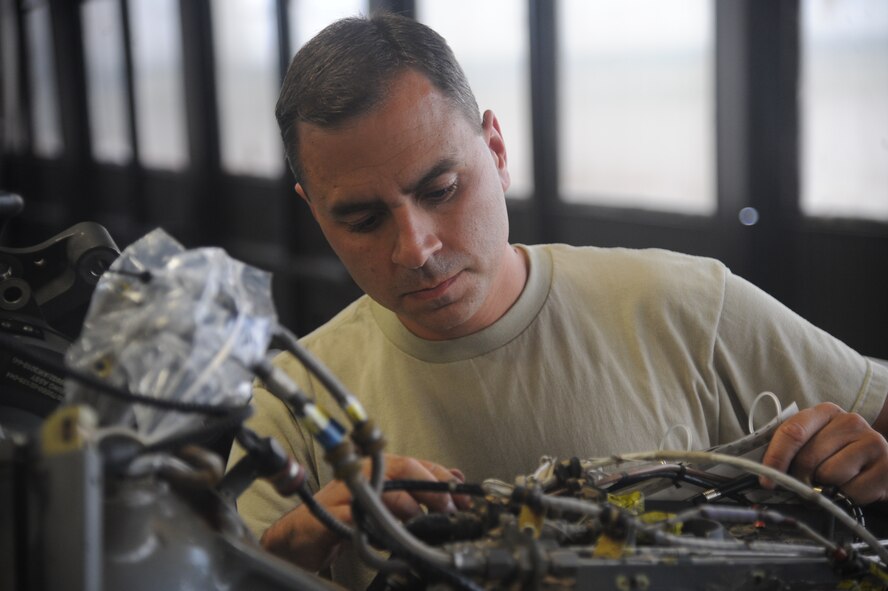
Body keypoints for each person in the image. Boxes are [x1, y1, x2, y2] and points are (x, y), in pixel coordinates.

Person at [228, 12, 888, 589]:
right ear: (315, 213)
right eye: (365, 220)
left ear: (496, 150)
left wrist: (871, 458)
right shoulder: (290, 403)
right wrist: (296, 541)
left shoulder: (683, 305)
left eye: (442, 188)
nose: (416, 249)